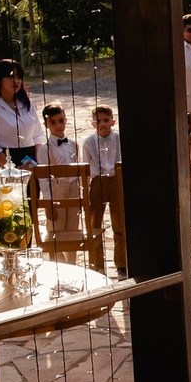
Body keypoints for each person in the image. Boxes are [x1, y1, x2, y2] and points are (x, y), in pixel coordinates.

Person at [82, 104, 126, 275]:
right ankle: (97, 264)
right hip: (97, 182)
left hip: (116, 180)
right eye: (98, 121)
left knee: (119, 224)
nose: (102, 124)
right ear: (93, 123)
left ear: (112, 121)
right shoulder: (89, 142)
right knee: (95, 225)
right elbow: (86, 169)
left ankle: (121, 264)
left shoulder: (119, 139)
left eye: (106, 120)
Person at [0, 58, 45, 168]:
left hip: (30, 162)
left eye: (19, 77)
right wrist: (11, 168)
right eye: (11, 76)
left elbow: (38, 135)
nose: (16, 81)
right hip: (3, 163)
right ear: (0, 79)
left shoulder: (27, 103)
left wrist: (37, 163)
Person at [38, 102, 81, 263]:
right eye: (53, 122)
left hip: (74, 189)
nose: (58, 125)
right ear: (46, 124)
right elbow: (43, 178)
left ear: (66, 120)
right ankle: (59, 264)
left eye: (61, 120)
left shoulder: (74, 145)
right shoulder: (45, 148)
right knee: (56, 229)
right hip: (57, 190)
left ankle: (72, 264)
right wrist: (49, 202)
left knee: (73, 230)